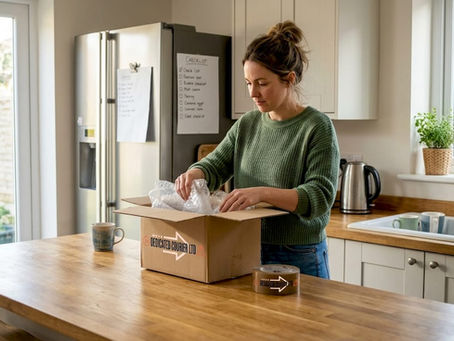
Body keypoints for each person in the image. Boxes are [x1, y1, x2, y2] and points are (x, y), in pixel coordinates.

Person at [175, 21, 340, 279]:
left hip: (298, 254)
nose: (253, 92)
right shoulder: (248, 124)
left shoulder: (317, 127)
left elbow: (319, 197)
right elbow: (216, 164)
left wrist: (261, 194)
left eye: (262, 83)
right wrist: (195, 173)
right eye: (248, 82)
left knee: (301, 321)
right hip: (246, 246)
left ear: (289, 79)